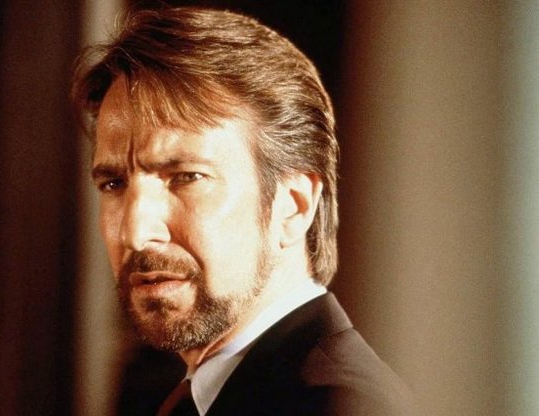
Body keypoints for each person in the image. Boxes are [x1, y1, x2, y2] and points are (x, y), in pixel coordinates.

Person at [72, 6, 415, 415]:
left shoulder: (341, 406)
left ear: (293, 206)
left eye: (187, 177)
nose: (136, 231)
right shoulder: (197, 396)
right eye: (113, 184)